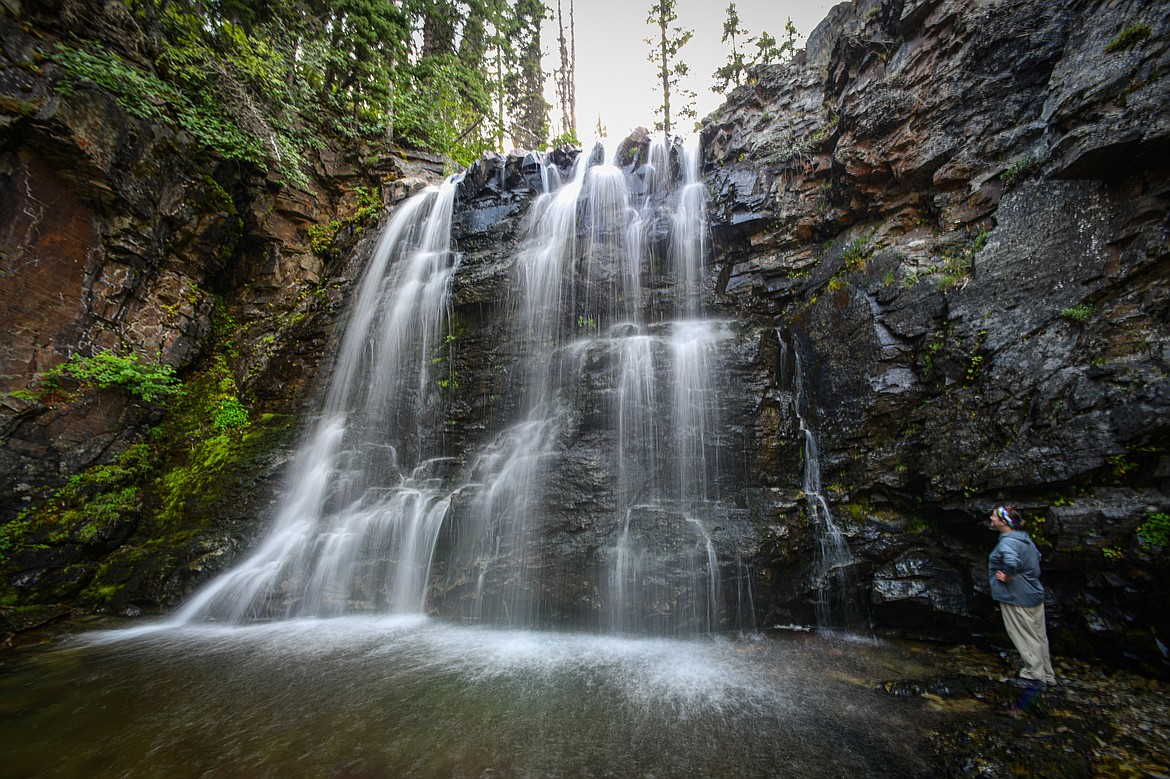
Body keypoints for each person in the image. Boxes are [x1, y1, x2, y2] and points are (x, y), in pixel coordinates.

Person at [987, 505, 1056, 689]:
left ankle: (1033, 676)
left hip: (1017, 596)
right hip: (1033, 593)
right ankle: (1047, 675)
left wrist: (1008, 576)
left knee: (1023, 635)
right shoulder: (1025, 539)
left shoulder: (1008, 542)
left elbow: (1011, 562)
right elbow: (1037, 558)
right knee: (1039, 636)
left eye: (994, 516)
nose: (991, 518)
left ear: (1003, 522)